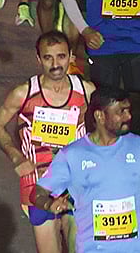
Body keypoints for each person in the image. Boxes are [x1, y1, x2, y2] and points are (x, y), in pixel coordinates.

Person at [0, 31, 94, 253]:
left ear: (71, 56)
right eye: (48, 58)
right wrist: (15, 155)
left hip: (77, 181)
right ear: (38, 59)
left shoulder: (86, 91)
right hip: (38, 184)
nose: (56, 64)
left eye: (61, 56)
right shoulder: (24, 93)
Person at [33, 86, 140, 253]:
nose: (128, 116)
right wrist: (49, 203)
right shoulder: (72, 154)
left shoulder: (137, 146)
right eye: (121, 111)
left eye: (128, 110)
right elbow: (37, 193)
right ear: (99, 116)